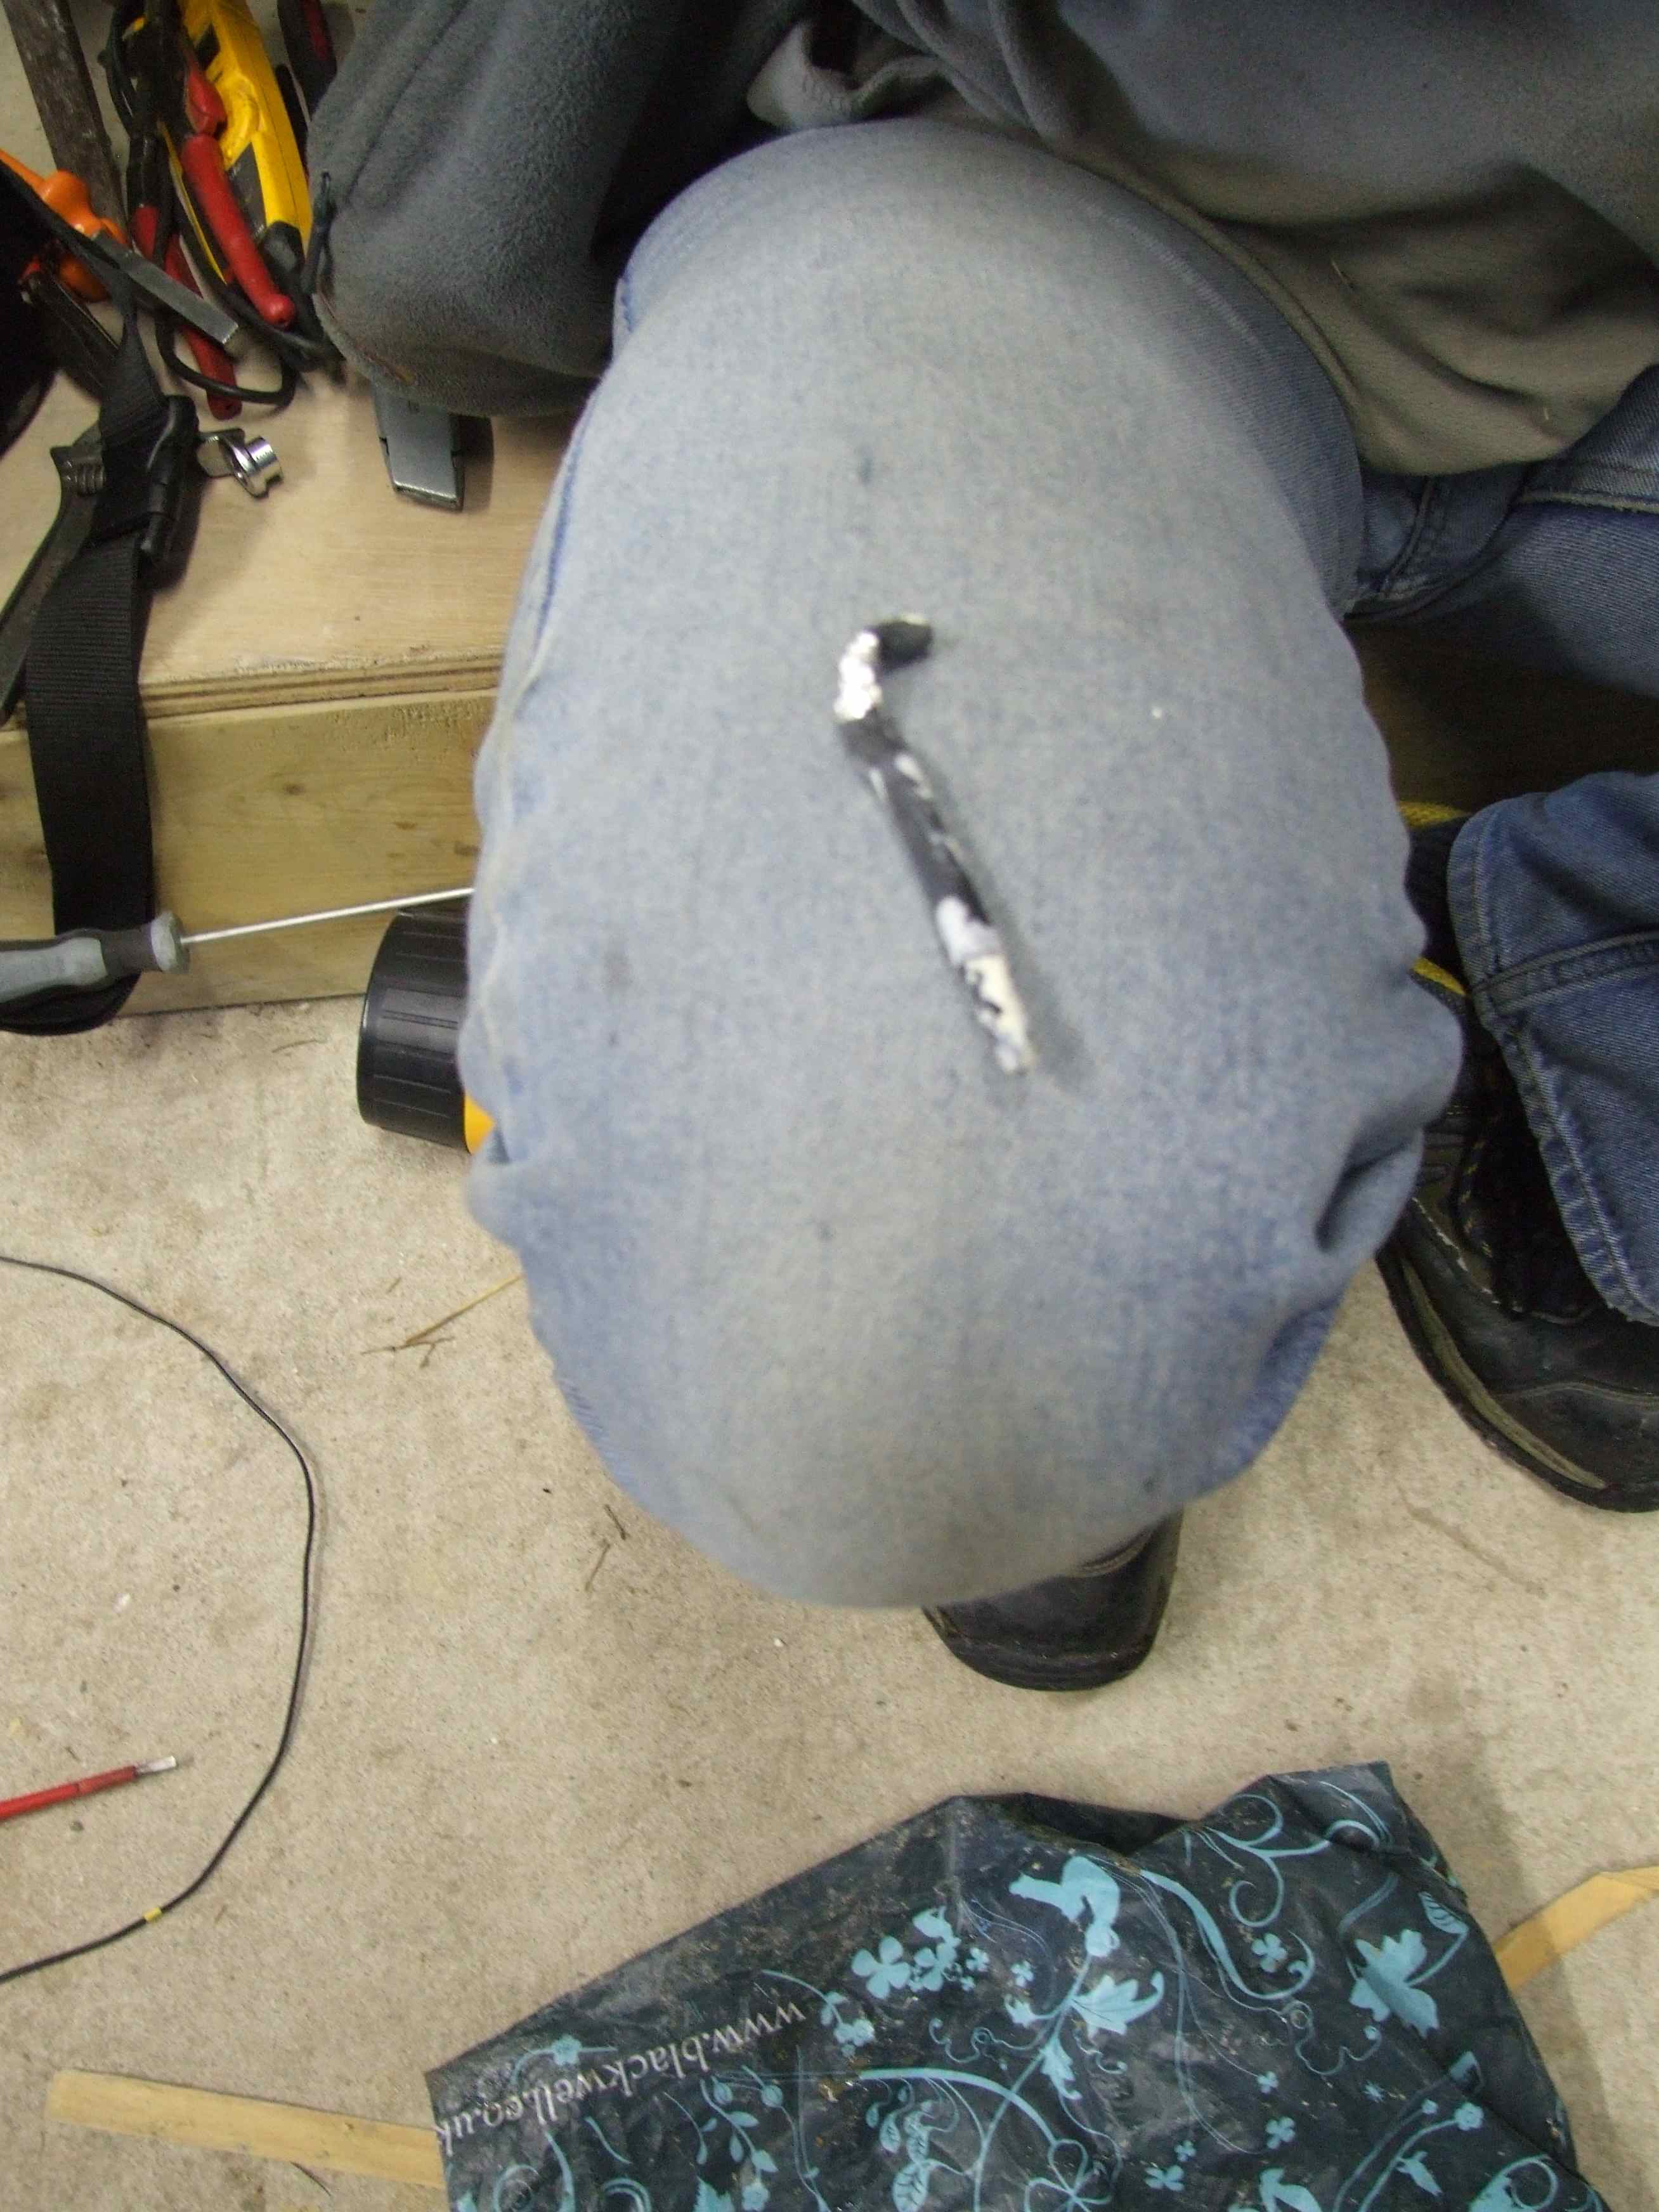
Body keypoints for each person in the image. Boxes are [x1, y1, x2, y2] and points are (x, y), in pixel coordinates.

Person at [311, 2, 1659, 1689]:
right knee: (910, 1332)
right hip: (1073, 204)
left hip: (1608, 310)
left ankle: (1571, 994)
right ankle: (1054, 1484)